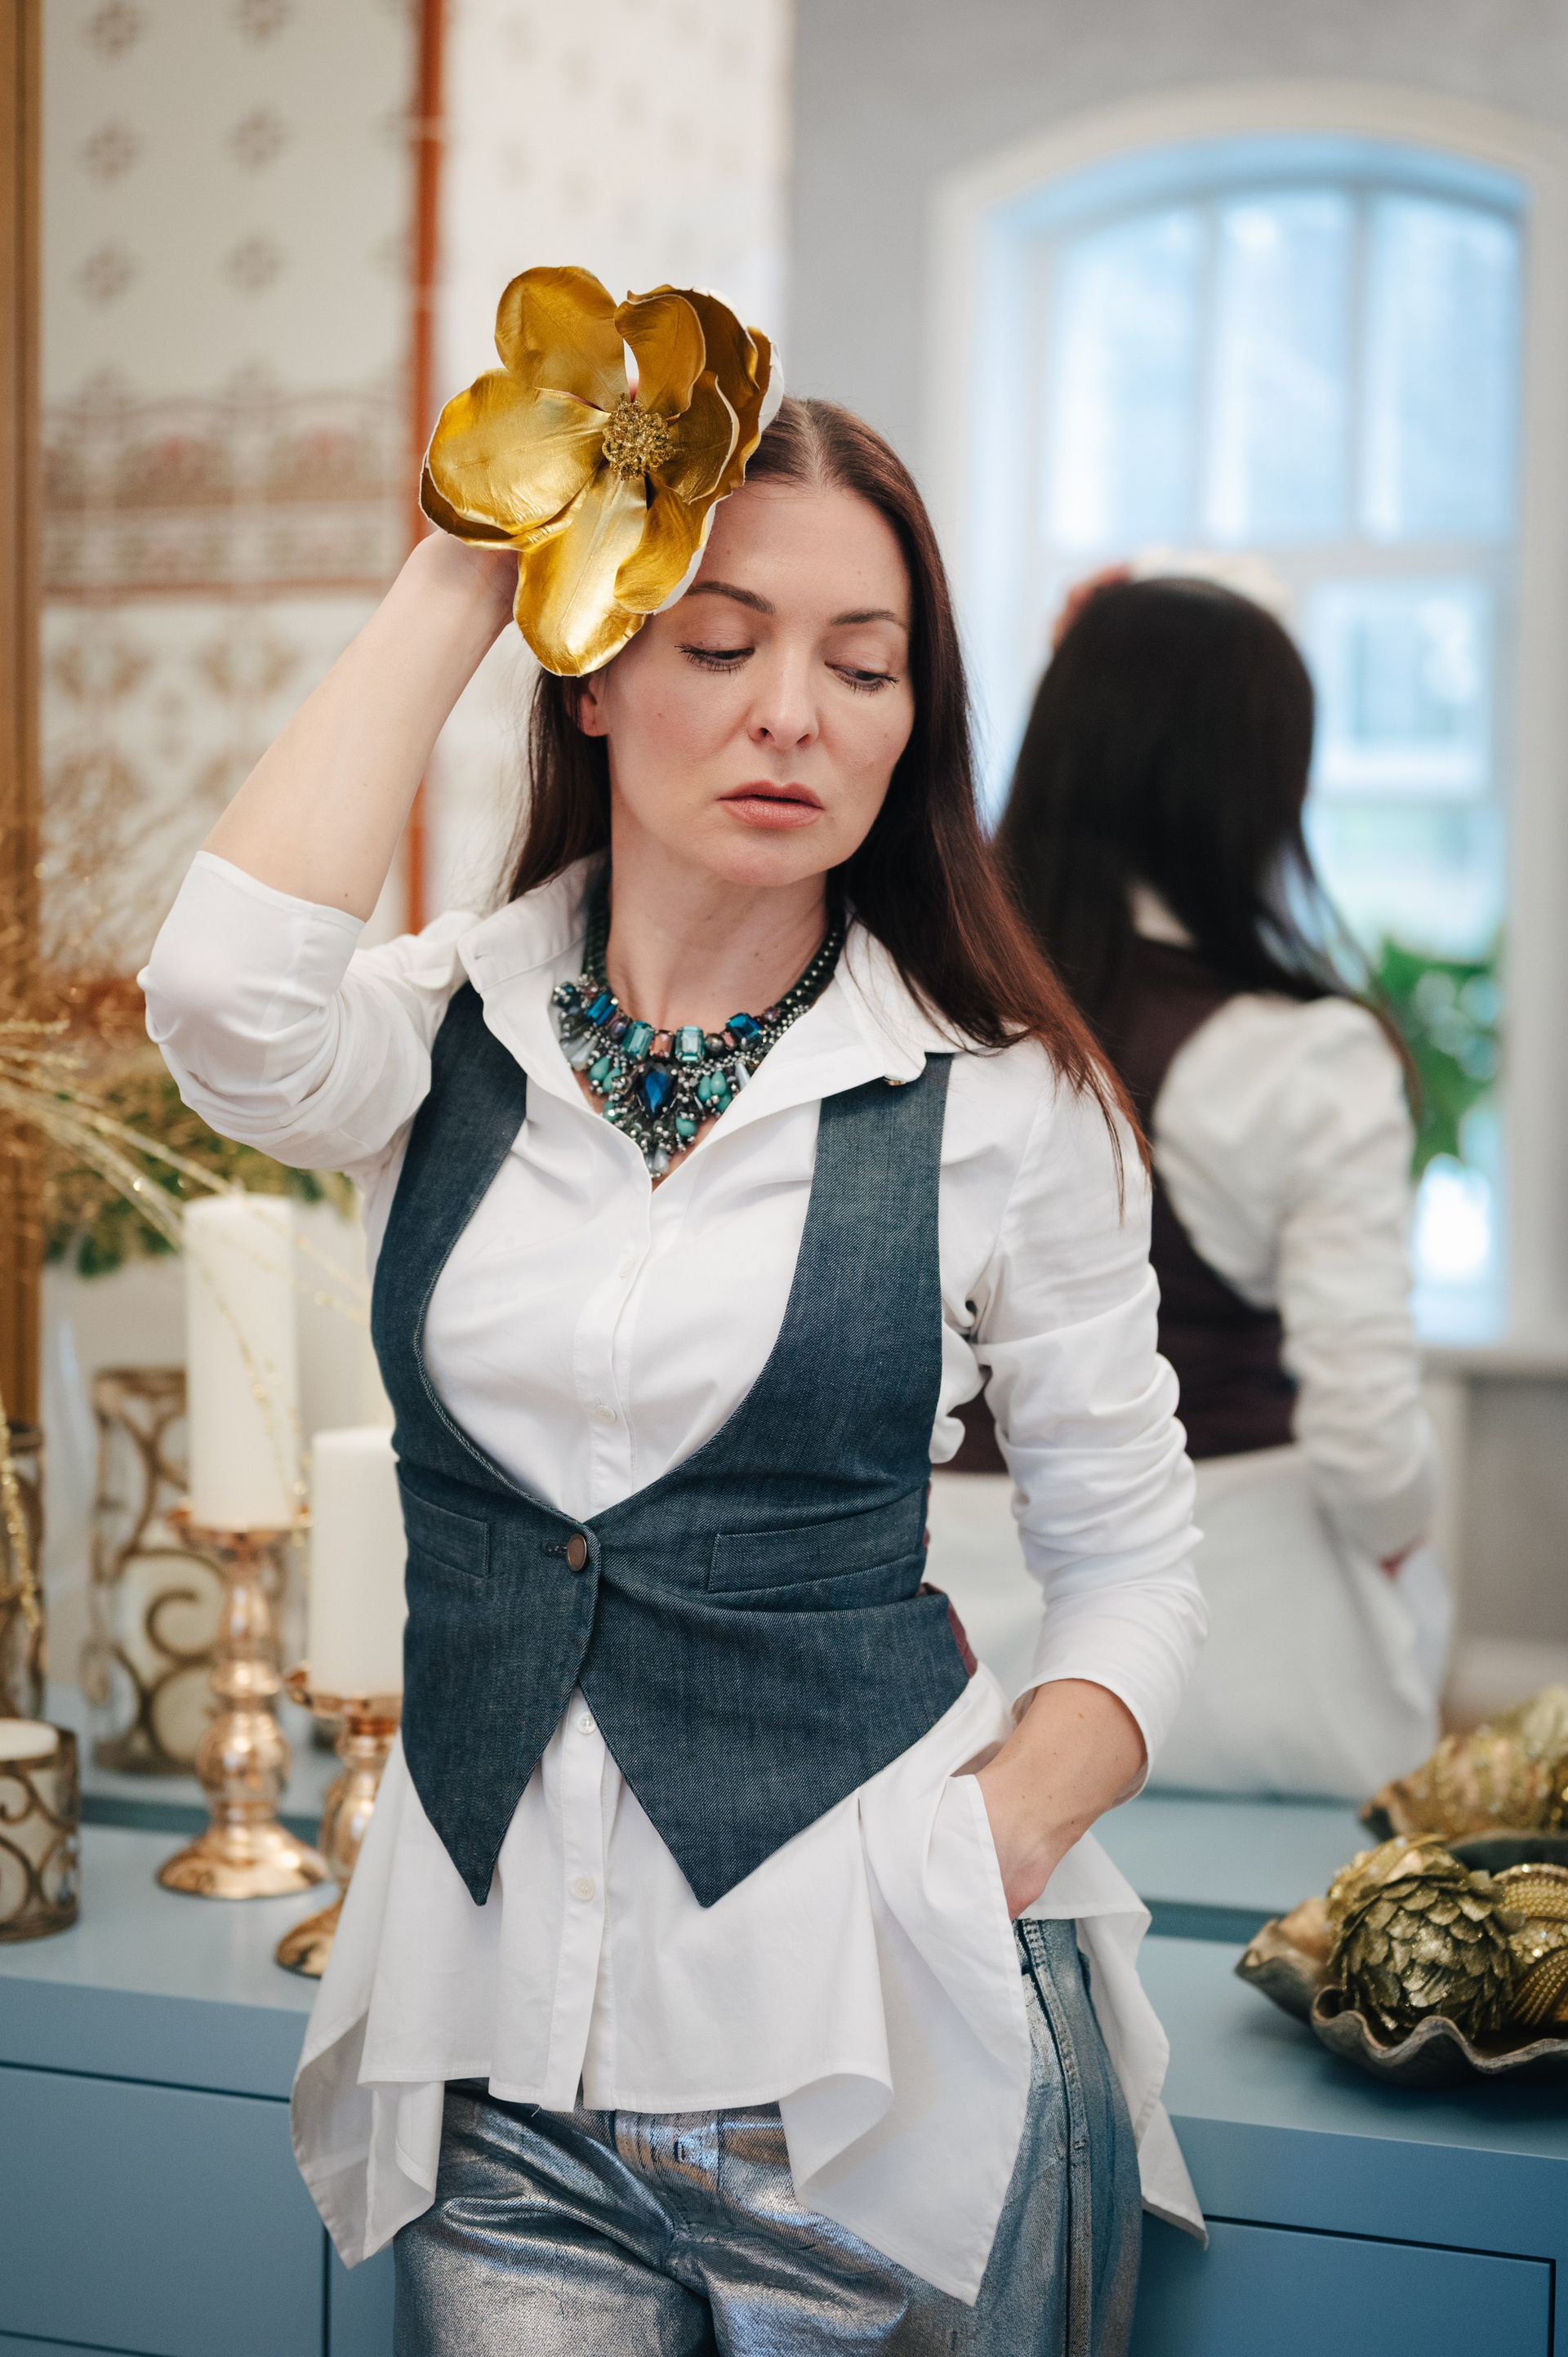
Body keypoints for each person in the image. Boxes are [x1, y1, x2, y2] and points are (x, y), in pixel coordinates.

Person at [140, 270, 1205, 2355]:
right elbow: (220, 1004)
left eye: (865, 666)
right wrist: (482, 552)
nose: (795, 711)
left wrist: (991, 1841)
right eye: (718, 643)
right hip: (500, 2078)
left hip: (877, 2056)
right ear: (598, 678)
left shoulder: (1003, 1105)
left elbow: (1133, 1560)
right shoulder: (438, 1035)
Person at [987, 572, 1446, 1800]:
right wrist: (1405, 1558)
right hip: (1239, 1654)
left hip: (946, 1646)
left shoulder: (923, 1014)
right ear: (1261, 786)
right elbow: (1368, 1441)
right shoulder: (1302, 1058)